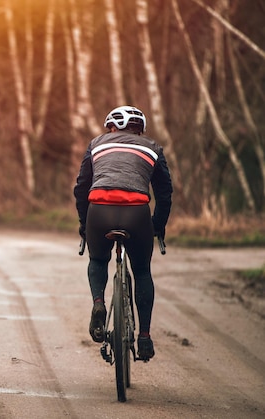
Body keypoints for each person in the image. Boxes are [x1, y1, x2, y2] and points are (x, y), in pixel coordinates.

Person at [73, 105, 172, 361]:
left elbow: (81, 186)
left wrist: (85, 224)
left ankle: (98, 304)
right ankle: (145, 338)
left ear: (112, 127)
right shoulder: (152, 147)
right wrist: (157, 225)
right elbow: (164, 193)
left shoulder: (96, 144)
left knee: (97, 260)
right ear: (139, 130)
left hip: (99, 210)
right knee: (141, 271)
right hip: (137, 213)